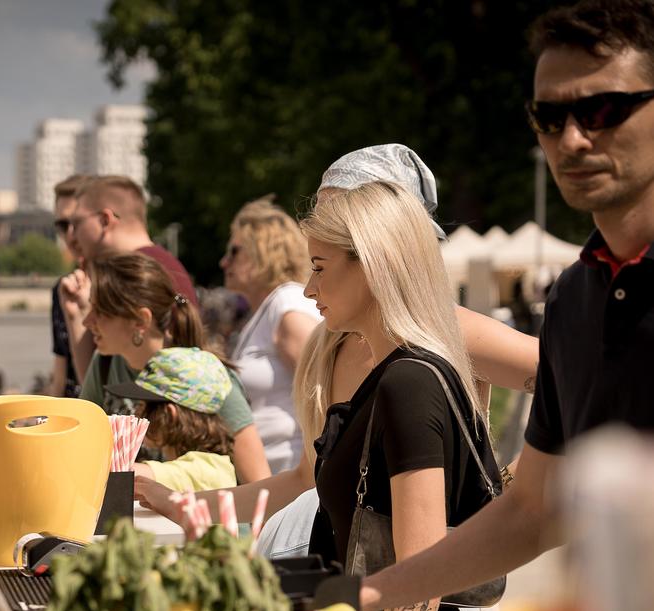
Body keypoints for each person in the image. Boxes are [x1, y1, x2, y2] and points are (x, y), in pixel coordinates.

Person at [360, 0, 654, 611]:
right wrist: (357, 594)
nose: (572, 139)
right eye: (549, 118)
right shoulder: (574, 299)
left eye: (603, 110)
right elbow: (532, 512)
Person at [137, 144, 538, 559]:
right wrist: (187, 506)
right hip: (354, 590)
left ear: (379, 240)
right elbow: (305, 482)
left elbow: (577, 386)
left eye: (339, 218)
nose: (320, 231)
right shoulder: (327, 345)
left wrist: (509, 490)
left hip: (436, 597)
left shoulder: (451, 330)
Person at [300, 181, 502, 611]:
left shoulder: (408, 383)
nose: (309, 289)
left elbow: (420, 575)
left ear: (372, 266)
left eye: (319, 268)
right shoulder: (399, 374)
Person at [80, 252, 271, 482]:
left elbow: (260, 485)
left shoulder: (208, 378)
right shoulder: (104, 363)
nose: (86, 321)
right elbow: (82, 443)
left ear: (141, 320)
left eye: (99, 311)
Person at [58, 175, 199, 382]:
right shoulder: (150, 268)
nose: (71, 235)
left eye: (76, 223)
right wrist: (77, 315)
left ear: (105, 220)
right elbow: (99, 384)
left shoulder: (145, 275)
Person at [222, 197, 318, 474]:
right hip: (274, 483)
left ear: (264, 250)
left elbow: (327, 394)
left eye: (234, 250)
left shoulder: (287, 305)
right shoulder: (269, 310)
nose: (224, 261)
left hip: (292, 484)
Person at [106, 347, 238, 491]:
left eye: (142, 406)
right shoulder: (209, 464)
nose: (135, 413)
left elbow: (123, 474)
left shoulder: (207, 470)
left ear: (169, 414)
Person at [47, 174, 91, 398]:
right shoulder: (61, 289)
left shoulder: (118, 284)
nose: (71, 234)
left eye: (77, 222)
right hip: (73, 420)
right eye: (63, 225)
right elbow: (60, 375)